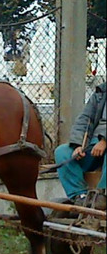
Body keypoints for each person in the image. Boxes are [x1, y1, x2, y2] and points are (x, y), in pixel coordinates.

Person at [54, 82, 106, 210]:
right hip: (93, 145)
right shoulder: (100, 93)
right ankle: (80, 196)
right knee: (62, 152)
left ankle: (102, 195)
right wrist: (78, 144)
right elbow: (85, 119)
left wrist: (104, 141)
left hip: (103, 143)